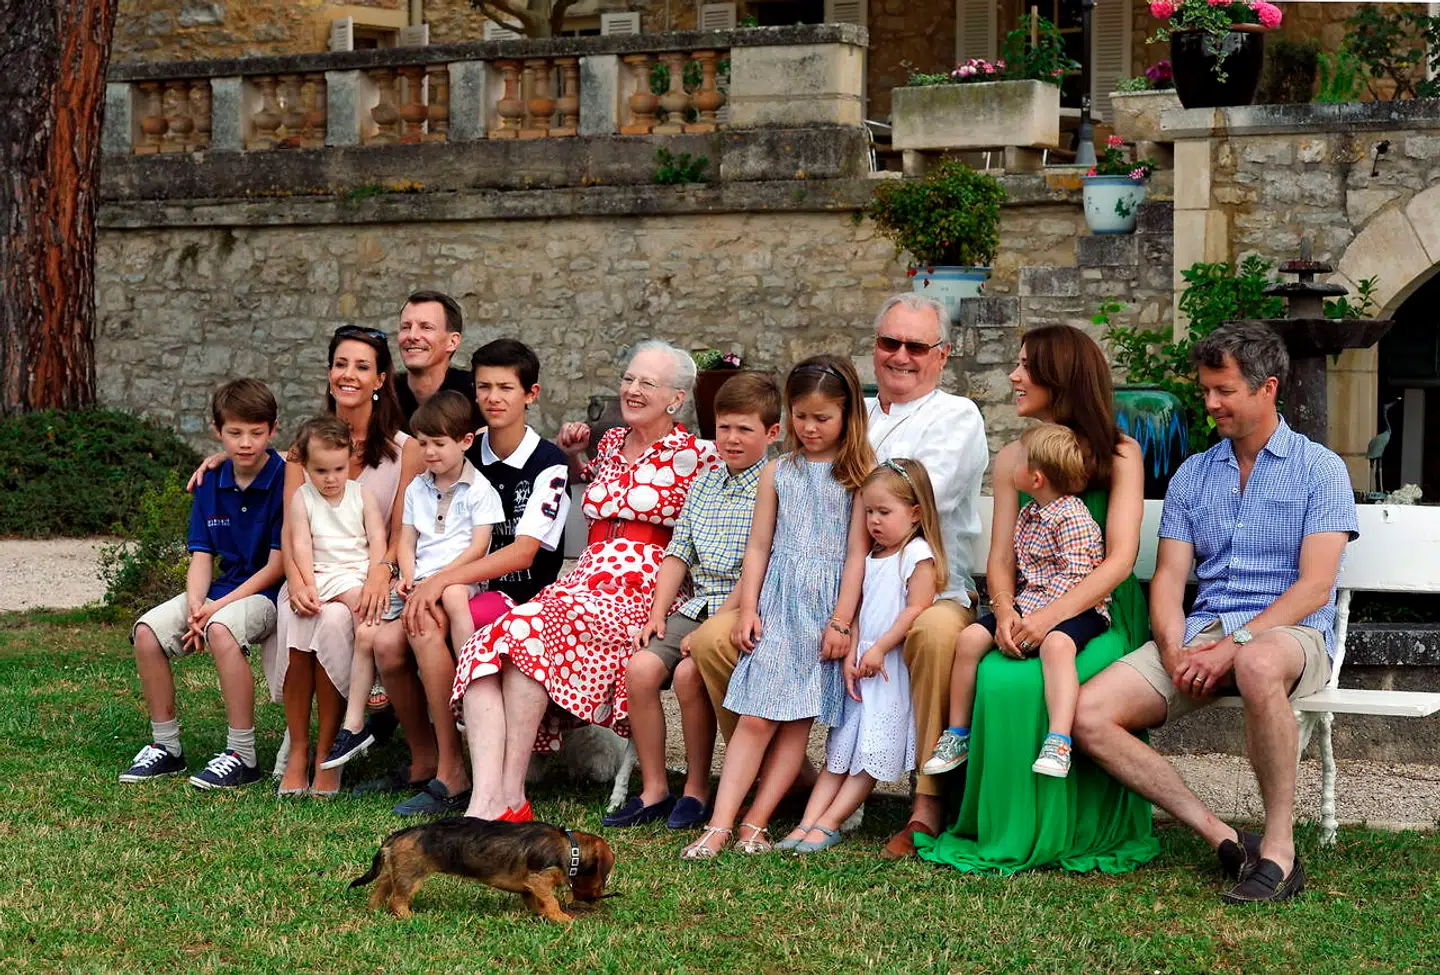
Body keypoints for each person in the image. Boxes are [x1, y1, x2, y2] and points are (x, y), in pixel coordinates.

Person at [680, 293, 989, 858]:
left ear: (941, 355)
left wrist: (843, 613)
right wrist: (746, 605)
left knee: (937, 634)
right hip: (810, 590)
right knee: (712, 641)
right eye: (888, 342)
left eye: (915, 346)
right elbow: (771, 525)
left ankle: (926, 803)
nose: (900, 356)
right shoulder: (851, 411)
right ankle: (795, 779)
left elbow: (912, 505)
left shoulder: (956, 415)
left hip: (922, 587)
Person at [1073, 322, 1358, 904]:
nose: (1210, 402)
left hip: (1292, 635)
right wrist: (1175, 649)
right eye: (1206, 389)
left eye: (1223, 390)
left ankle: (1280, 850)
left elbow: (1314, 587)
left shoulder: (1319, 469)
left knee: (1255, 663)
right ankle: (1226, 840)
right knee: (1088, 715)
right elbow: (1170, 579)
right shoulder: (1194, 474)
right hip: (1204, 634)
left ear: (1267, 388)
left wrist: (1236, 644)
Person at [916, 324, 1159, 875]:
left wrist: (1048, 619)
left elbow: (1120, 561)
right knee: (996, 676)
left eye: (1026, 366)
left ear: (1062, 377)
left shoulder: (1120, 454)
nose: (1013, 376)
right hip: (1026, 609)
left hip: (1097, 615)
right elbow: (1000, 557)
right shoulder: (1013, 459)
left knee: (1026, 684)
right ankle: (994, 828)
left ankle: (1069, 825)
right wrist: (1004, 612)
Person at [449, 340, 720, 823]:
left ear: (676, 398)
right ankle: (491, 799)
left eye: (647, 384)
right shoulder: (612, 442)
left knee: (522, 631)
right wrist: (576, 458)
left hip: (641, 588)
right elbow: (598, 497)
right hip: (586, 579)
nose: (632, 390)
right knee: (495, 641)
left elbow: (724, 523)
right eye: (629, 379)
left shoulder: (698, 456)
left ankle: (506, 798)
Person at [680, 355, 874, 860]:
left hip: (827, 608)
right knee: (755, 718)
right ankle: (719, 826)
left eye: (822, 418)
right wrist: (746, 609)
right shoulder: (777, 472)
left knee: (796, 723)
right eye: (800, 416)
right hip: (779, 603)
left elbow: (857, 554)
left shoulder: (858, 476)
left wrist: (842, 621)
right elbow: (759, 547)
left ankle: (754, 824)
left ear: (847, 416)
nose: (809, 428)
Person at [605, 372, 782, 830]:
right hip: (697, 603)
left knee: (687, 674)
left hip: (745, 607)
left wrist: (712, 627)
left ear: (772, 433)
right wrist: (658, 611)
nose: (733, 438)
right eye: (724, 427)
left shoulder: (776, 485)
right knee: (640, 668)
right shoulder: (704, 481)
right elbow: (679, 550)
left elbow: (758, 568)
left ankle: (699, 788)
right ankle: (654, 788)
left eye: (745, 429)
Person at [266, 326, 421, 797]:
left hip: (368, 575)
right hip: (310, 573)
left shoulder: (403, 449)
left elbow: (398, 533)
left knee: (335, 619)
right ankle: (297, 750)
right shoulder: (303, 449)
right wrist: (297, 580)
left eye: (361, 366)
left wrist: (381, 572)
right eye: (340, 364)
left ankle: (329, 750)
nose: (347, 375)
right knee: (305, 612)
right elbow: (292, 528)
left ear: (380, 379)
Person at [120, 379, 286, 790]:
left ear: (273, 430)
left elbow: (277, 566)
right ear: (217, 431)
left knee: (221, 630)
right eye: (234, 433)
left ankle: (242, 755)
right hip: (218, 591)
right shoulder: (210, 480)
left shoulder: (286, 478)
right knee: (146, 632)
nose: (245, 443)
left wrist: (211, 612)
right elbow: (200, 556)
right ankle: (167, 748)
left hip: (266, 594)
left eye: (256, 432)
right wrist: (197, 604)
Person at [923, 423, 1109, 783]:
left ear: (1036, 478)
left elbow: (1079, 578)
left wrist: (1037, 622)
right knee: (969, 640)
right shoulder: (1028, 516)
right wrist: (1009, 613)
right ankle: (957, 733)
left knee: (1057, 646)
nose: (1010, 466)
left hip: (1077, 608)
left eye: (1019, 461)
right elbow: (1016, 570)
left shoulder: (1072, 517)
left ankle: (1059, 739)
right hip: (1029, 602)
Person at [782, 457, 944, 855]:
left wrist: (880, 649)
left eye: (884, 512)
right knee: (839, 753)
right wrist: (853, 653)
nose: (873, 520)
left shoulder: (916, 556)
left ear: (916, 513)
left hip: (888, 671)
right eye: (869, 511)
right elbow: (857, 613)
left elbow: (915, 610)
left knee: (870, 754)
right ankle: (808, 821)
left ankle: (830, 822)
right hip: (862, 667)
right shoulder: (871, 557)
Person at [282, 416, 388, 782]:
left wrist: (378, 575)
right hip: (323, 576)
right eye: (320, 470)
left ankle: (372, 683)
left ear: (351, 460)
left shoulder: (362, 495)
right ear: (305, 466)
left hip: (357, 573)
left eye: (338, 469)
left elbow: (377, 540)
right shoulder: (303, 497)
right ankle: (301, 748)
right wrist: (307, 584)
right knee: (350, 612)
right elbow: (301, 543)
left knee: (365, 608)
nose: (330, 479)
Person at [393, 290, 484, 432]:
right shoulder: (384, 394)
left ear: (452, 342)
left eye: (426, 327)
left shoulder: (476, 395)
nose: (412, 336)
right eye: (406, 327)